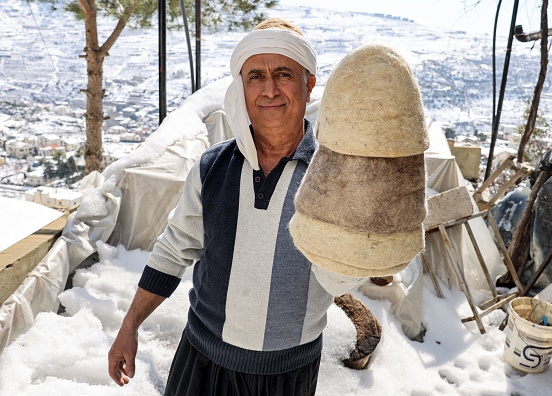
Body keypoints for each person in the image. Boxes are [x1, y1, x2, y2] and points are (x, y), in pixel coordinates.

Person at [108, 17, 364, 396]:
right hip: (201, 364)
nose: (270, 89)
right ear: (241, 88)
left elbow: (348, 270)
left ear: (309, 84)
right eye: (255, 76)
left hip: (287, 376)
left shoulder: (334, 178)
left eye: (284, 74)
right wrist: (129, 327)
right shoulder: (214, 168)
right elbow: (173, 249)